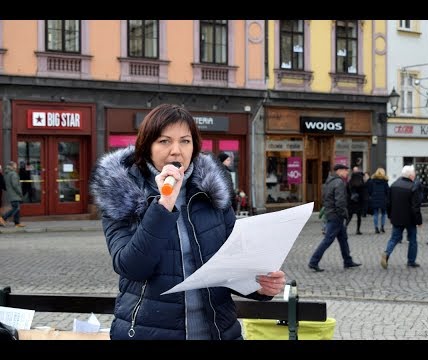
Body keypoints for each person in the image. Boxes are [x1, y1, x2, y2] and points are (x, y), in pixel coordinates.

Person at [89, 104, 286, 340]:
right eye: (164, 141)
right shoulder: (121, 193)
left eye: (185, 141)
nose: (176, 151)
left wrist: (260, 286)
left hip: (218, 331)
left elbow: (231, 265)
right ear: (147, 146)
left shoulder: (212, 192)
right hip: (148, 331)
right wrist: (164, 204)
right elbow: (132, 267)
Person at [307, 163, 362, 272]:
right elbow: (340, 201)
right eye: (346, 170)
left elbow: (325, 198)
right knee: (328, 240)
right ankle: (313, 261)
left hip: (332, 213)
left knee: (343, 239)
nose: (347, 173)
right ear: (340, 171)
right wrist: (344, 214)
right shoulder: (339, 183)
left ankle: (348, 261)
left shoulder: (329, 182)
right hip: (336, 216)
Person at [380, 165, 423, 269]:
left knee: (394, 238)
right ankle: (411, 261)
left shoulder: (394, 185)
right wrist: (419, 221)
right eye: (413, 174)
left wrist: (390, 216)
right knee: (412, 239)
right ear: (410, 175)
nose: (414, 176)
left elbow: (388, 203)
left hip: (397, 217)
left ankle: (386, 253)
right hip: (410, 219)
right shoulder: (413, 187)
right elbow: (415, 207)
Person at [0, 161, 25, 228]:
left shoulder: (6, 173)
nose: (16, 166)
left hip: (10, 193)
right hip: (15, 194)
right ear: (12, 166)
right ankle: (3, 218)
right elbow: (15, 185)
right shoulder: (13, 174)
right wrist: (20, 193)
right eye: (15, 165)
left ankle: (17, 223)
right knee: (16, 208)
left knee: (17, 208)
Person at [346, 166, 368, 235]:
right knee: (359, 217)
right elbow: (364, 194)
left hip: (351, 202)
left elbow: (347, 192)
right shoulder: (361, 184)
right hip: (359, 203)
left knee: (349, 216)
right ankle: (358, 230)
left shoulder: (350, 183)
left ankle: (344, 228)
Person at [368, 167, 390, 234]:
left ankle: (376, 228)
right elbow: (388, 191)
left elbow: (369, 191)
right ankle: (382, 227)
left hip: (374, 199)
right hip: (383, 199)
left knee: (376, 214)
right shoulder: (385, 182)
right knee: (383, 214)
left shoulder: (372, 181)